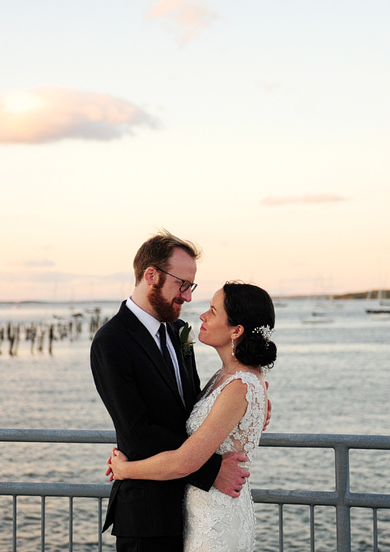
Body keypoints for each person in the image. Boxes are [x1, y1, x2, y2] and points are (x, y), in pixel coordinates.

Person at [90, 231, 252, 552]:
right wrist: (212, 470)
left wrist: (247, 398)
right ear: (151, 276)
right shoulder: (111, 342)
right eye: (182, 285)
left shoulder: (181, 332)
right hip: (148, 515)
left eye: (190, 287)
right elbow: (137, 433)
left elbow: (192, 406)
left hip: (194, 511)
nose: (188, 297)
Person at [107, 281, 277, 552]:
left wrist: (124, 469)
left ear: (236, 330)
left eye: (213, 310)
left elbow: (184, 462)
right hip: (201, 514)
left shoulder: (239, 384)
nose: (202, 315)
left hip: (216, 523)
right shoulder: (225, 377)